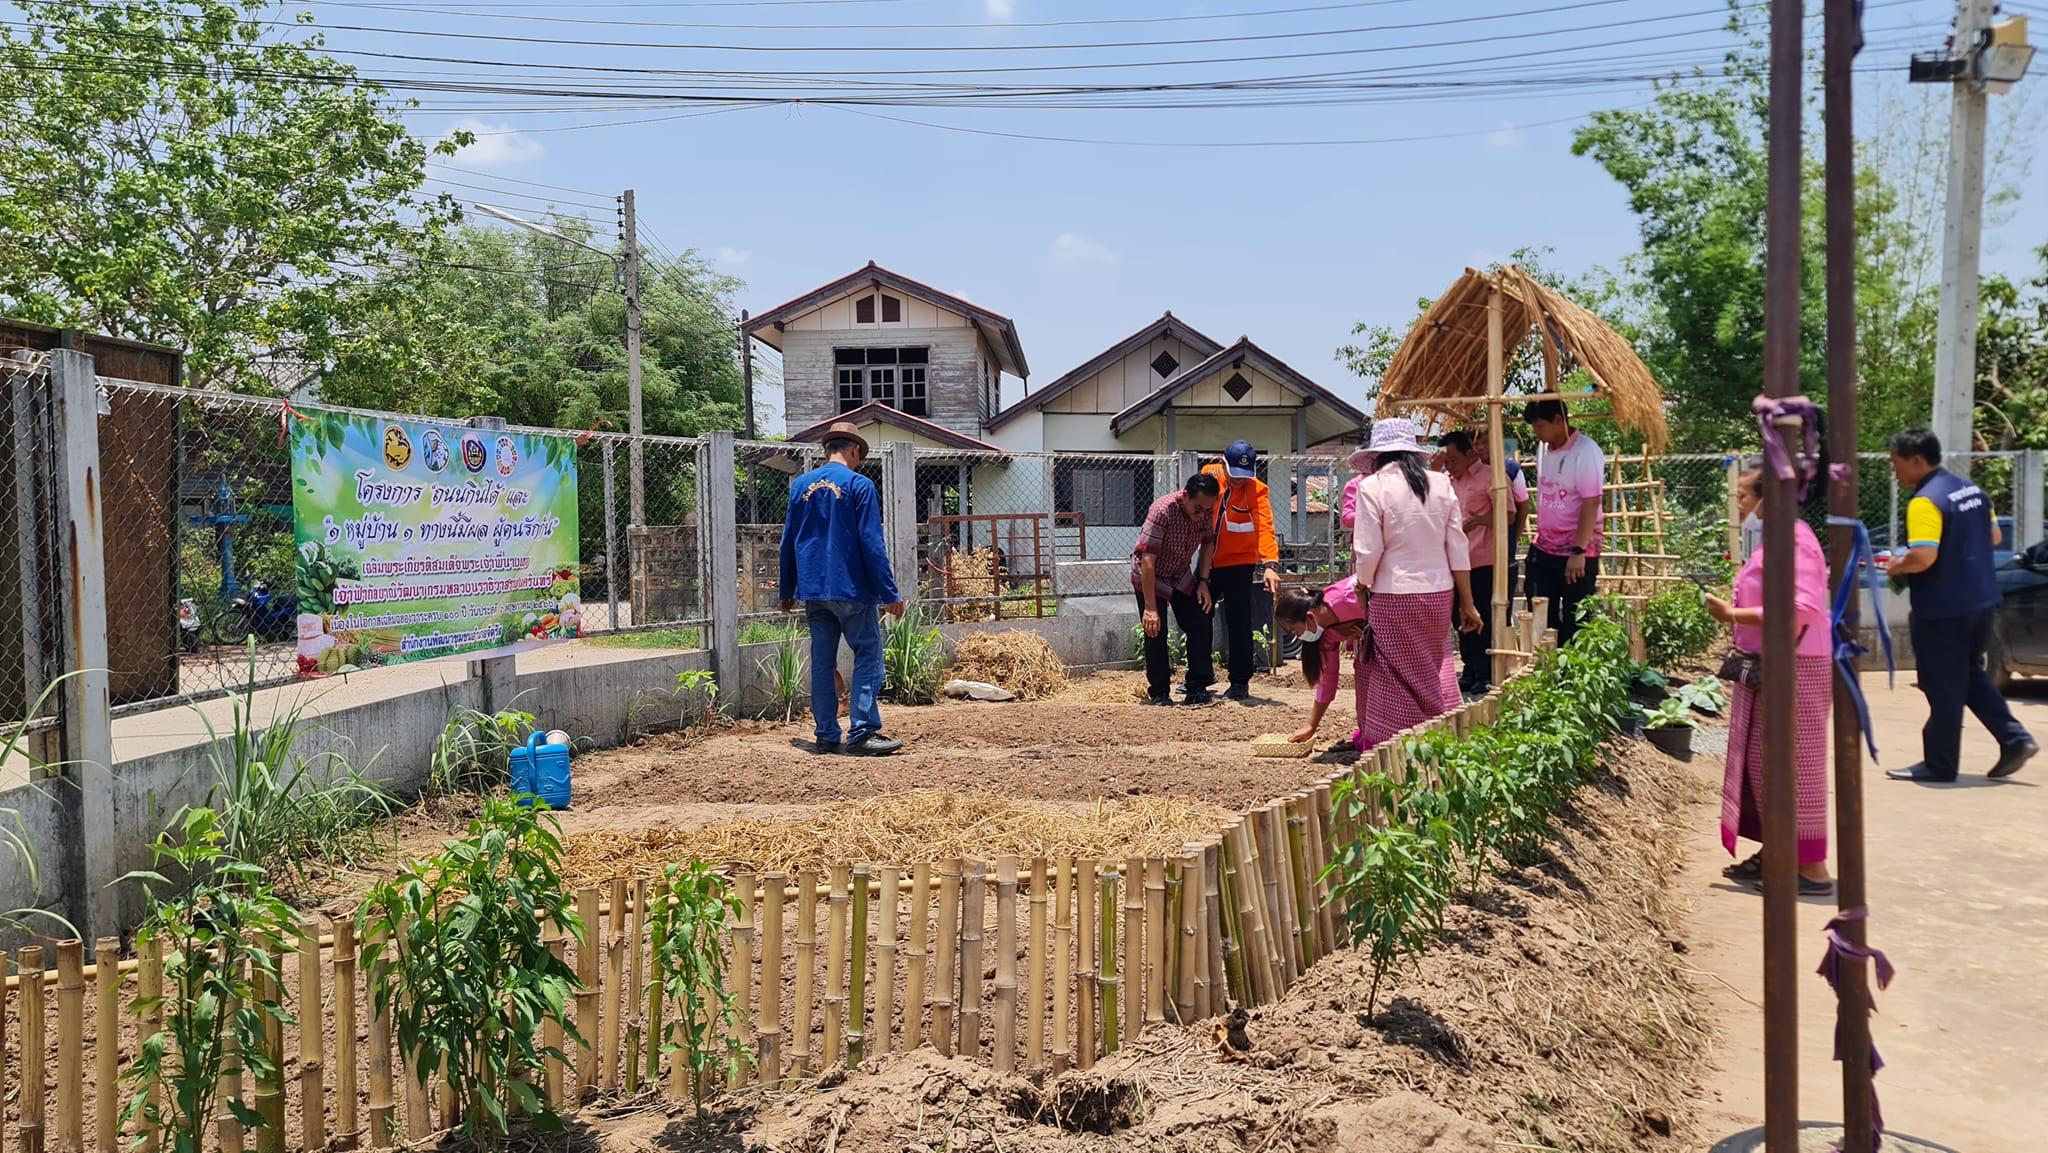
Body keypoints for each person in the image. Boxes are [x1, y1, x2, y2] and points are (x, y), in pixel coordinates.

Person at [1704, 468, 1834, 896]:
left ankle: (1811, 867)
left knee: (1794, 763)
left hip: (1796, 663)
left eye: (1742, 494)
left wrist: (1731, 616)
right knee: (1763, 760)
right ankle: (1780, 849)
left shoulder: (1794, 539)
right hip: (1772, 661)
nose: (1738, 502)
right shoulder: (1777, 538)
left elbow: (1799, 609)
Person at [1880, 429, 2037, 782]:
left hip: (1943, 608)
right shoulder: (1972, 491)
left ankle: (1940, 764)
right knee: (1967, 674)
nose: (1895, 472)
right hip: (1981, 602)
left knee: (1941, 685)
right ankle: (2015, 740)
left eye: (1896, 464)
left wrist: (1897, 565)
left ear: (1917, 461)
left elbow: (1923, 557)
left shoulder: (1925, 501)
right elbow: (1994, 537)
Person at [1350, 418, 1483, 750]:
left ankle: (1397, 749)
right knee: (1432, 668)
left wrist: (1362, 586)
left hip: (1394, 594)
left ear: (1377, 456)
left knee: (1395, 676)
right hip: (1440, 594)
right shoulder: (1441, 483)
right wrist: (1467, 602)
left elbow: (1368, 550)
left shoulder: (1372, 487)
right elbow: (1457, 546)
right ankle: (1440, 740)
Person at [778, 423, 906, 756]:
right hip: (850, 588)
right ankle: (862, 731)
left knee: (822, 661)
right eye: (859, 457)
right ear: (854, 451)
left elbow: (788, 541)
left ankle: (825, 735)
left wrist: (786, 588)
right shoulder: (859, 485)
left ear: (826, 450)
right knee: (867, 654)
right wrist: (889, 593)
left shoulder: (799, 487)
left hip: (813, 590)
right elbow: (871, 542)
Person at [1441, 428, 1530, 694]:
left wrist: (1480, 520)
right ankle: (1470, 668)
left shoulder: (1492, 477)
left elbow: (1509, 515)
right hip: (1457, 562)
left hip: (1486, 560)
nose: (1449, 466)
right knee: (1461, 617)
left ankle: (1486, 671)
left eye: (1453, 460)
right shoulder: (1446, 481)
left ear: (1469, 454)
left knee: (1485, 618)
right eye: (1446, 462)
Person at [1201, 439, 1283, 701]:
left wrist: (1270, 564)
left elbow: (1265, 528)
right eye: (1234, 475)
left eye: (1243, 477)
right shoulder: (1209, 475)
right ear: (1223, 464)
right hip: (1208, 562)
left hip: (1239, 564)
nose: (1238, 481)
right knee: (1197, 617)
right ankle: (1199, 677)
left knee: (1238, 623)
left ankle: (1239, 682)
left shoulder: (1258, 491)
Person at [1132, 472, 1223, 706]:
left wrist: (1203, 581)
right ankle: (1160, 692)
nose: (1201, 515)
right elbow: (1148, 561)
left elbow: (1208, 543)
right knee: (1155, 630)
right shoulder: (1162, 511)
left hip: (1180, 574)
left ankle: (1197, 687)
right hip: (1151, 575)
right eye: (1197, 509)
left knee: (1201, 618)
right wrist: (1150, 608)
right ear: (1184, 496)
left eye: (1206, 510)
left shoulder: (1205, 509)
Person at [1523, 399, 1604, 647]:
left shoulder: (1585, 451)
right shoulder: (1544, 448)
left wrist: (1579, 551)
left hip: (1576, 550)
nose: (1537, 433)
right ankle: (1544, 670)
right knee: (1539, 608)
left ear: (1559, 421)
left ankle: (1572, 676)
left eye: (1540, 426)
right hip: (1544, 545)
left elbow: (1591, 502)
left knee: (1575, 616)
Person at [1274, 579, 1367, 745]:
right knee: (1363, 671)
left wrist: (1369, 629)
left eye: (1294, 630)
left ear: (1309, 617)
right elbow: (1327, 681)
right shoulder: (1326, 634)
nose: (1297, 637)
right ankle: (1367, 731)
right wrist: (1311, 725)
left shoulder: (1348, 597)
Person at [1471, 425, 1530, 605]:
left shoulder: (1511, 470)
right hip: (1470, 555)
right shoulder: (1458, 472)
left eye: (1484, 442)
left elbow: (1523, 507)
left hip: (1503, 553)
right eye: (1475, 443)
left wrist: (1513, 538)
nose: (1480, 447)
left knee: (1502, 608)